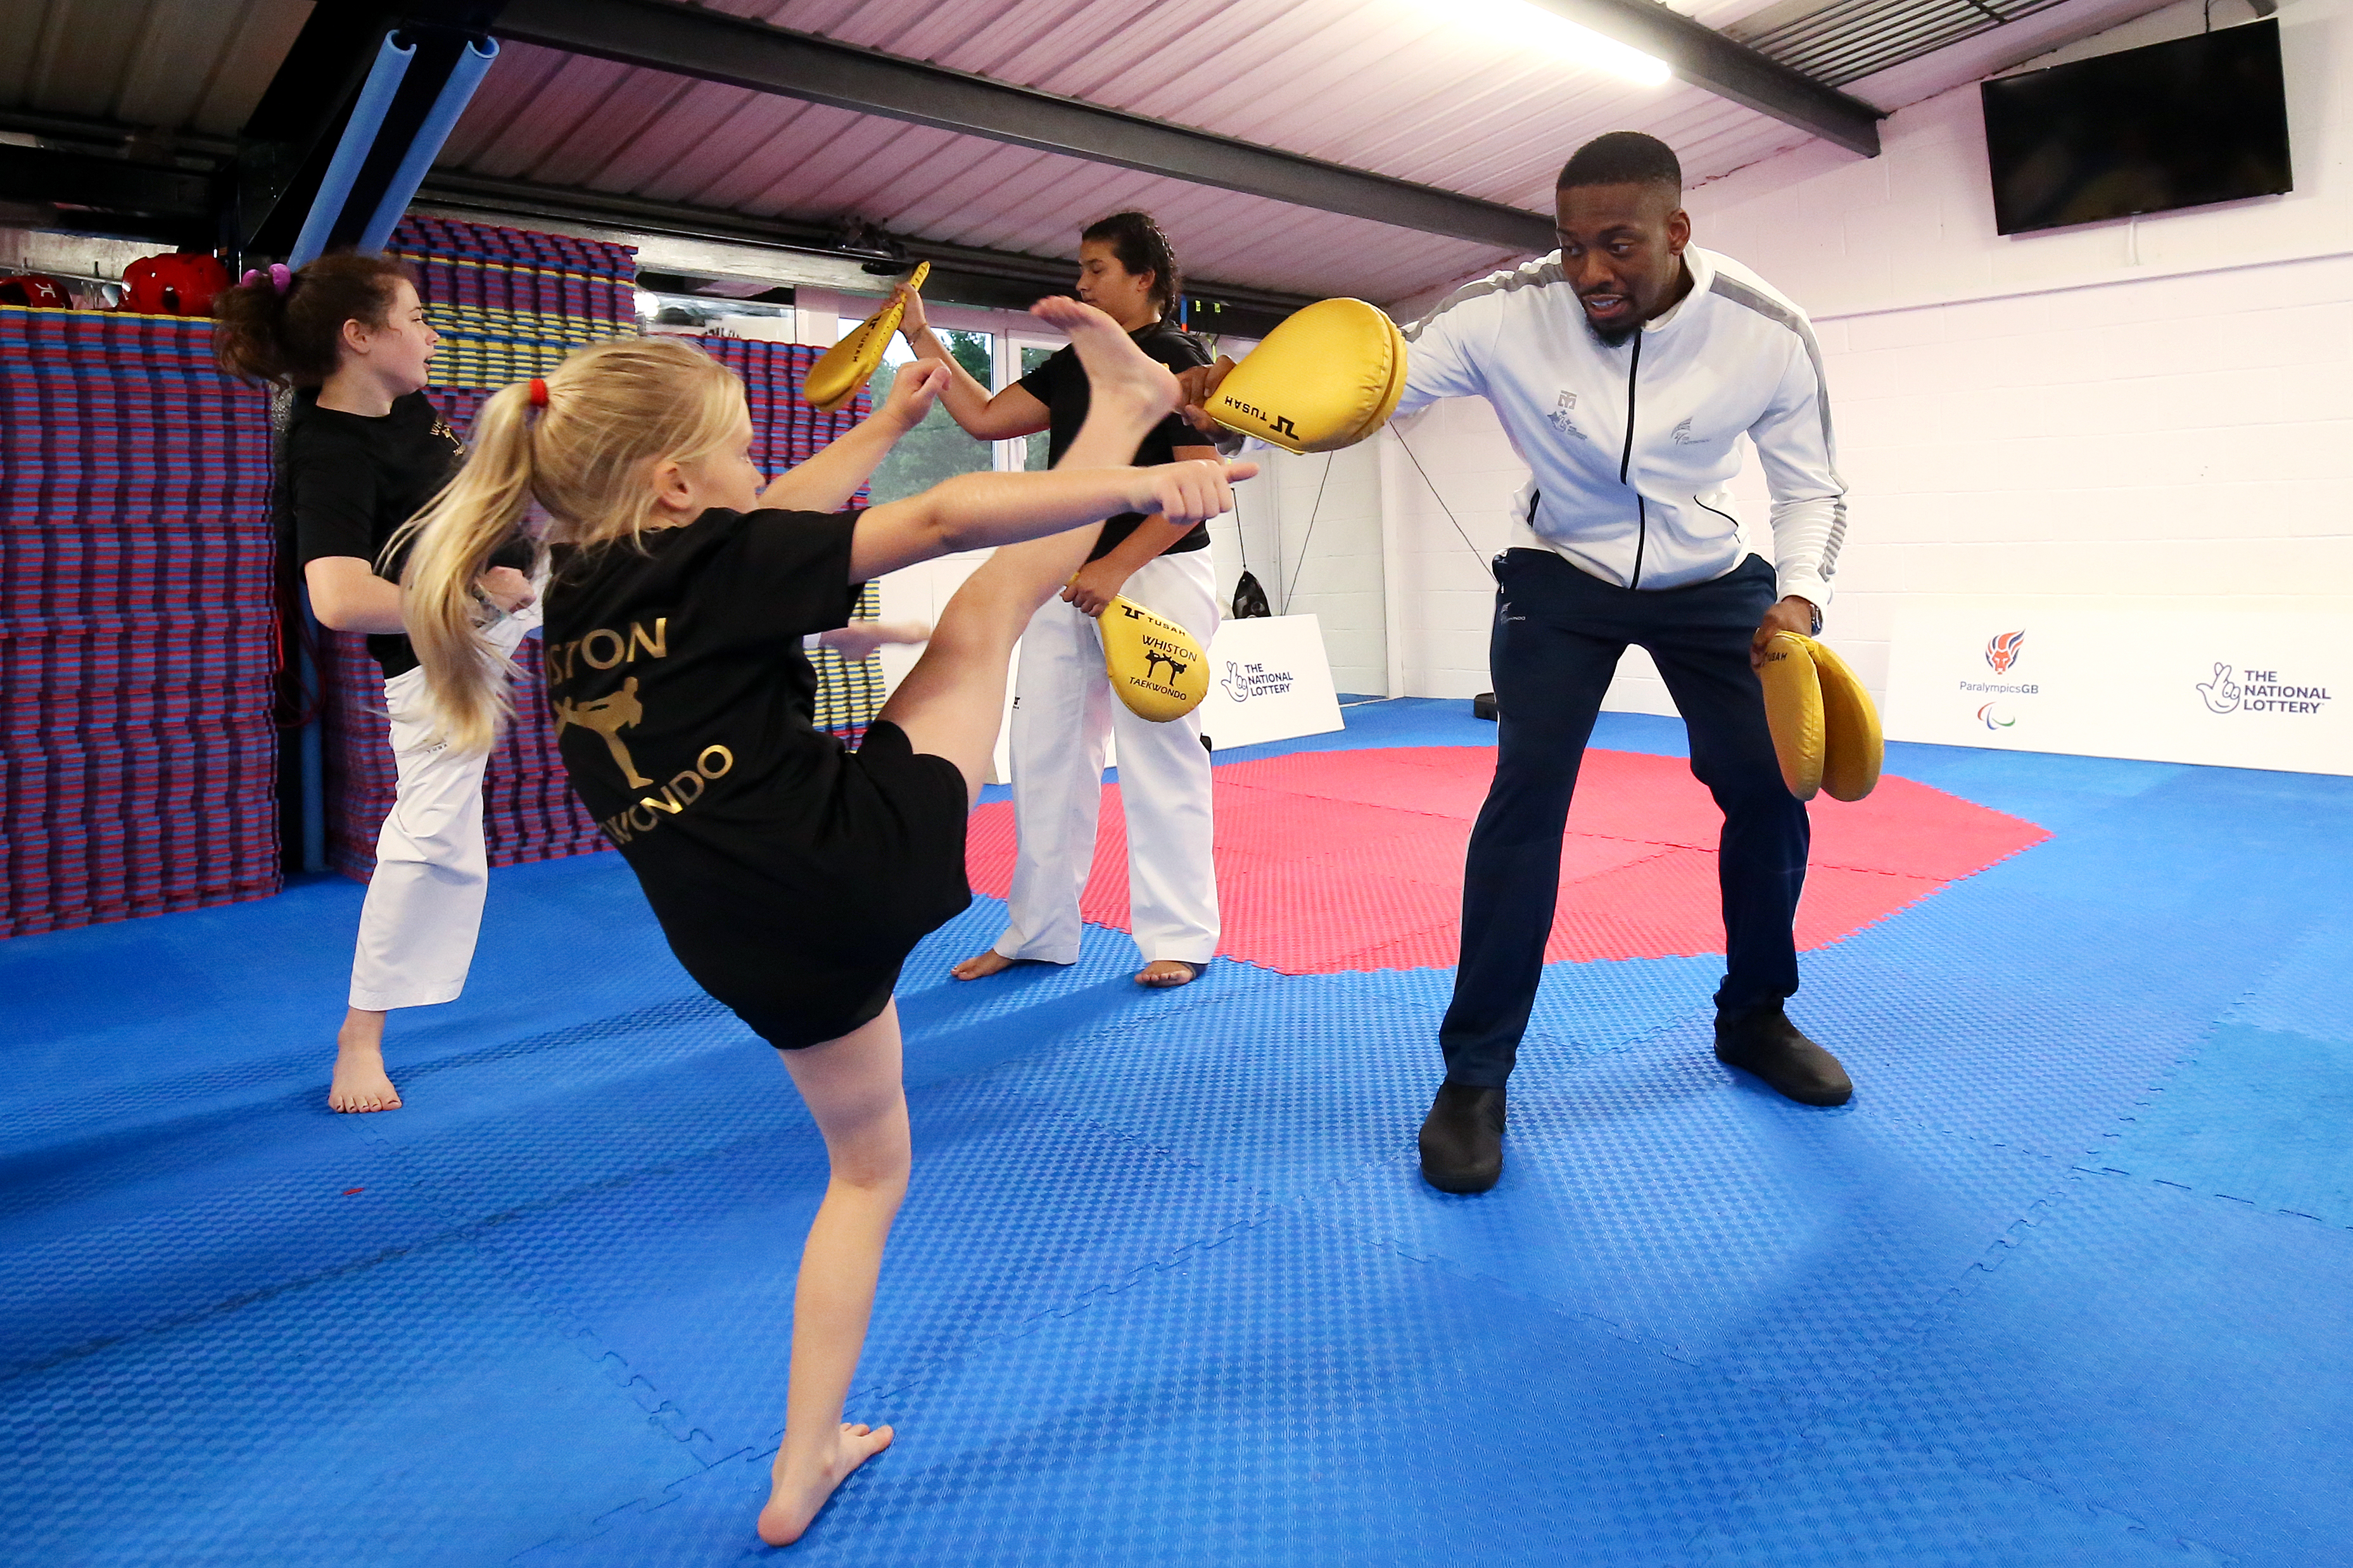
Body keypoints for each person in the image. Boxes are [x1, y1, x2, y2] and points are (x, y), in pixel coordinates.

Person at [396, 300, 1252, 1543]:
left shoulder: (579, 592)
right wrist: (1151, 478)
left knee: (863, 1172)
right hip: (854, 860)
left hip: (740, 940)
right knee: (980, 616)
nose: (758, 469)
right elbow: (947, 518)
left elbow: (764, 510)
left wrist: (886, 425)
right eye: (740, 450)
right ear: (677, 483)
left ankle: (806, 1457)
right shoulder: (714, 552)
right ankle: (1122, 399)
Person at [1189, 131, 1856, 1194]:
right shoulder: (1502, 310)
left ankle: (1757, 1017)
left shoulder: (1767, 333)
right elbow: (1373, 390)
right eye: (1572, 244)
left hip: (1715, 576)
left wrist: (1801, 597)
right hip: (1560, 576)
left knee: (1772, 797)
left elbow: (1814, 487)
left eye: (1619, 245)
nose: (1590, 270)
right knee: (1524, 809)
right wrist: (1244, 414)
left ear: (1677, 232)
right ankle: (1475, 1076)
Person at [214, 256, 536, 1115]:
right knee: (431, 838)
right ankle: (360, 1037)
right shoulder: (329, 450)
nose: (432, 332)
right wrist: (472, 601)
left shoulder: (402, 404)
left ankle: (832, 616)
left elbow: (458, 508)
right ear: (359, 338)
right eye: (415, 317)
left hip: (509, 600)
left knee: (667, 572)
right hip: (440, 657)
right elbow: (339, 598)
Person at [897, 212, 1224, 990]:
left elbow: (1204, 488)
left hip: (1154, 574)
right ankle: (1039, 930)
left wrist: (1114, 566)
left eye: (1098, 268)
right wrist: (921, 339)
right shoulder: (1074, 360)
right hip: (1062, 572)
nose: (1081, 282)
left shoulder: (1175, 356)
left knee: (1161, 753)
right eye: (1080, 267)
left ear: (1142, 278)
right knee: (1043, 753)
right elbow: (982, 419)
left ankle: (1177, 937)